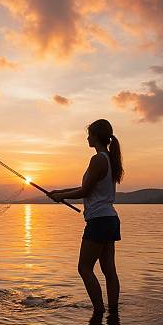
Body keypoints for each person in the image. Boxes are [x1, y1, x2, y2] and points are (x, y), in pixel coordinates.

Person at [49, 119, 124, 313]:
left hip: (99, 221)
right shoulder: (108, 158)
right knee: (109, 270)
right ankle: (113, 313)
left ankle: (99, 312)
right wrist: (60, 192)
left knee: (84, 268)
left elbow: (86, 191)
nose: (87, 138)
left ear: (97, 136)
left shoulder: (98, 159)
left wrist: (62, 196)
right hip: (110, 219)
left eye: (90, 134)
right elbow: (88, 188)